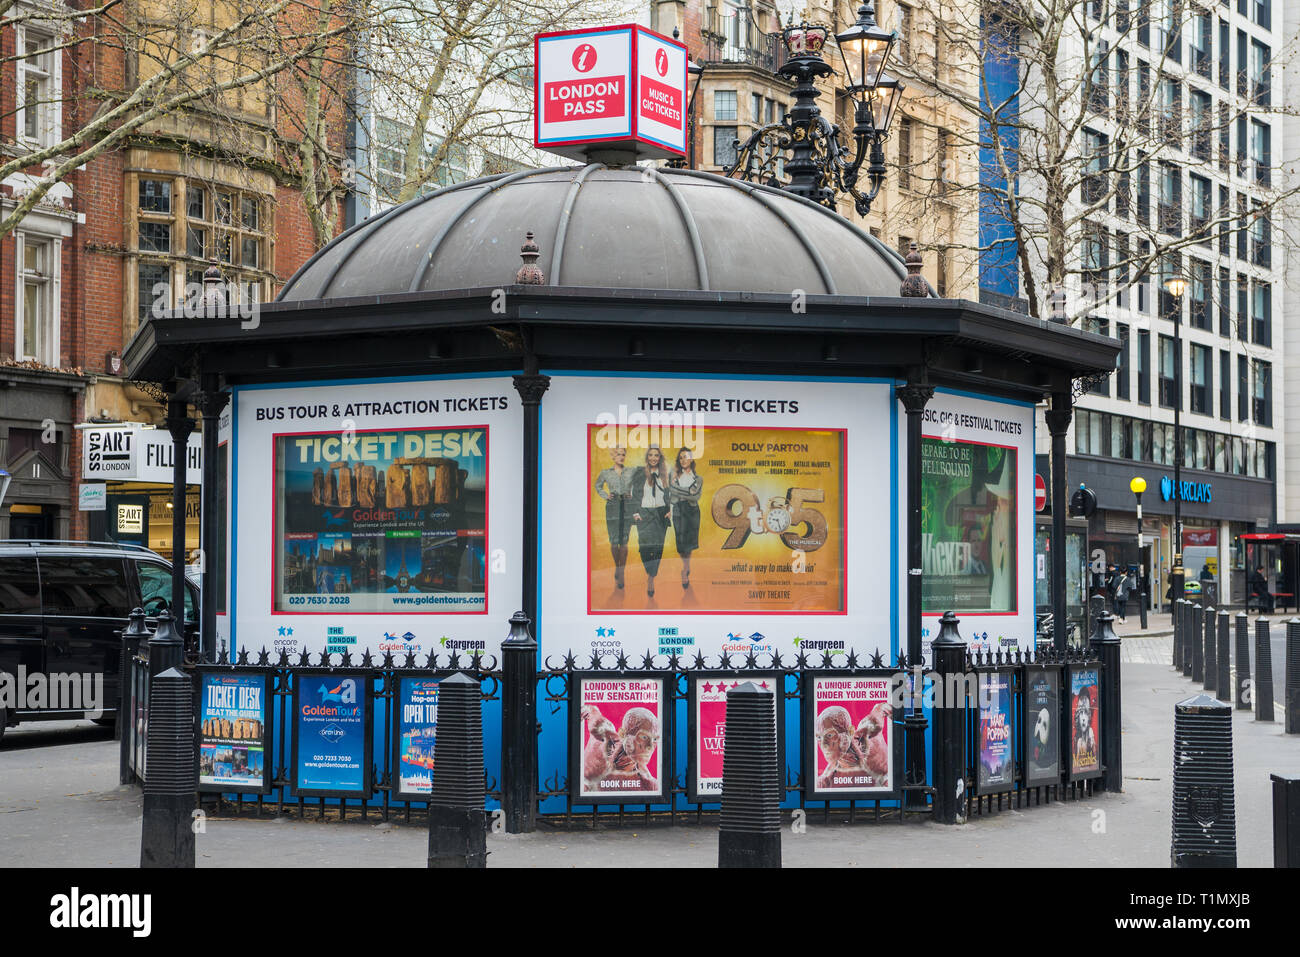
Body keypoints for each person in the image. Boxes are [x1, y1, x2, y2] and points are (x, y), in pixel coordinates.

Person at [631, 445, 671, 598]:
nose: (653, 458)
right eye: (651, 455)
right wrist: (635, 512)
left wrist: (669, 509)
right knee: (645, 546)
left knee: (658, 547)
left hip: (660, 513)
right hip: (645, 513)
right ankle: (649, 571)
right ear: (647, 457)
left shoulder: (664, 474)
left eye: (656, 455)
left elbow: (668, 493)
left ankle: (651, 578)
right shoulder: (640, 473)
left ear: (660, 458)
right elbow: (635, 493)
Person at [594, 446, 635, 588]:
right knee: (614, 541)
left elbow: (641, 484)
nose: (621, 457)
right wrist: (606, 496)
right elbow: (598, 486)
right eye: (618, 454)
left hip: (627, 506)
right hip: (612, 507)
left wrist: (633, 495)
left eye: (623, 454)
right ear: (613, 456)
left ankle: (621, 572)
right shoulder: (606, 472)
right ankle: (617, 566)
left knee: (624, 541)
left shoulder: (630, 471)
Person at [668, 447, 702, 588]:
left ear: (692, 459)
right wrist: (688, 491)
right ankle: (686, 566)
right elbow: (671, 491)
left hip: (693, 510)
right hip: (678, 509)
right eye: (681, 457)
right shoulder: (674, 474)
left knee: (690, 543)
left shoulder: (698, 478)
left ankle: (685, 568)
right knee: (681, 543)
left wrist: (678, 490)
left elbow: (696, 496)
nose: (683, 460)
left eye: (686, 457)